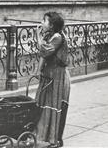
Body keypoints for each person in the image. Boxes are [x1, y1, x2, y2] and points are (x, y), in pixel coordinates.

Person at [35, 12, 71, 148]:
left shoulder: (57, 37)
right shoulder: (49, 35)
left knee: (52, 103)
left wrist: (38, 37)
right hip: (49, 73)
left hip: (57, 76)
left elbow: (45, 51)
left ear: (51, 25)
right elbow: (43, 56)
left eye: (44, 21)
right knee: (43, 102)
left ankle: (53, 139)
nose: (41, 23)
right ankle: (42, 136)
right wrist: (38, 71)